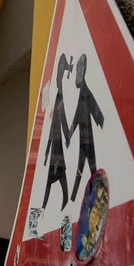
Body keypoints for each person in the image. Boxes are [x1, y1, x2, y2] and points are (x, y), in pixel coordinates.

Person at [68, 54, 105, 201]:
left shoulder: (86, 92)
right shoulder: (81, 94)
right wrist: (69, 134)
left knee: (91, 168)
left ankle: (92, 194)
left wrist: (102, 123)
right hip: (84, 139)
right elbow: (77, 116)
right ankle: (75, 197)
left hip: (88, 139)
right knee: (84, 169)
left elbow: (95, 109)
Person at [42, 54, 72, 211]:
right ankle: (49, 207)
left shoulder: (59, 99)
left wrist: (68, 136)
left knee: (59, 181)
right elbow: (60, 123)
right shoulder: (58, 99)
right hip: (56, 149)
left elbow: (62, 122)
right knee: (56, 180)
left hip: (57, 149)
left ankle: (59, 205)